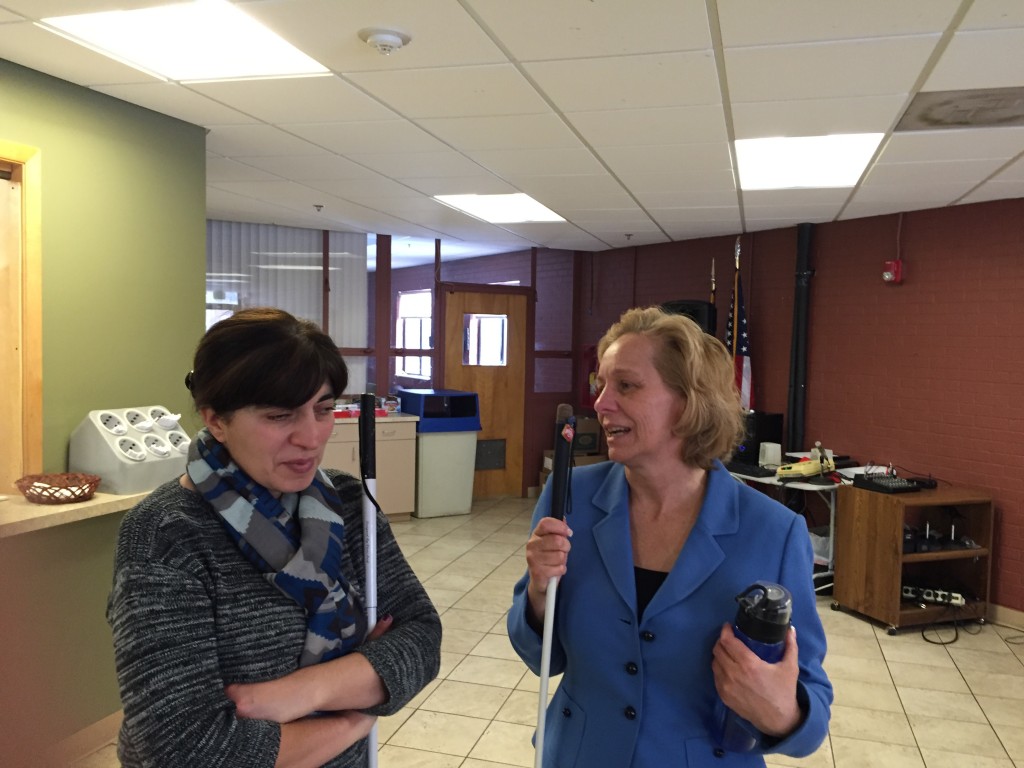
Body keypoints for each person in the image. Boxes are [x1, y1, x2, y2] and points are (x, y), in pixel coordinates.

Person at [108, 308, 441, 767]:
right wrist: (355, 717)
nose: (311, 437)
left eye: (323, 410)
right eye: (281, 415)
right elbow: (184, 751)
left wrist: (299, 692)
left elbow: (421, 639)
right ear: (217, 420)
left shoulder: (349, 504)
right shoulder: (168, 536)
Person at [508, 306, 832, 767]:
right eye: (601, 385)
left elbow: (811, 712)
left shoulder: (773, 533)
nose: (600, 404)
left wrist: (781, 711)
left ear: (688, 401)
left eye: (626, 385)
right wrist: (539, 593)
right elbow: (540, 657)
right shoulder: (570, 498)